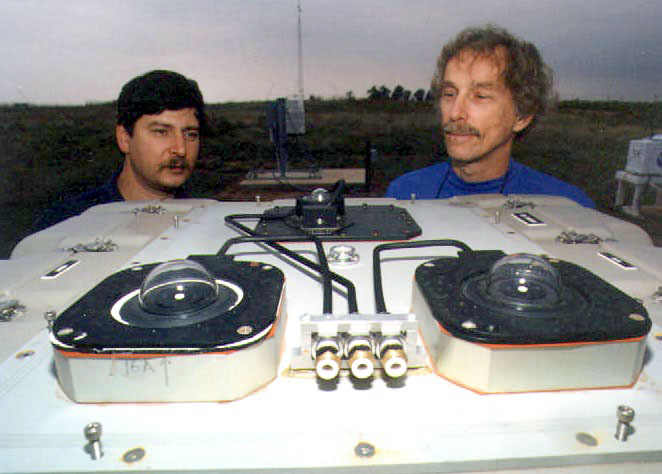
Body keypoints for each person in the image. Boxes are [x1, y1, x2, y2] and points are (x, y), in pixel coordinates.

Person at [385, 25, 594, 208]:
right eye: (449, 94)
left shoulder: (567, 206)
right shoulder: (404, 193)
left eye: (480, 96)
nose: (456, 113)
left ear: (522, 115)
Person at [32, 69, 206, 232]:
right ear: (124, 138)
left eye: (190, 134)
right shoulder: (67, 222)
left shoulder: (210, 221)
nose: (181, 149)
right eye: (161, 132)